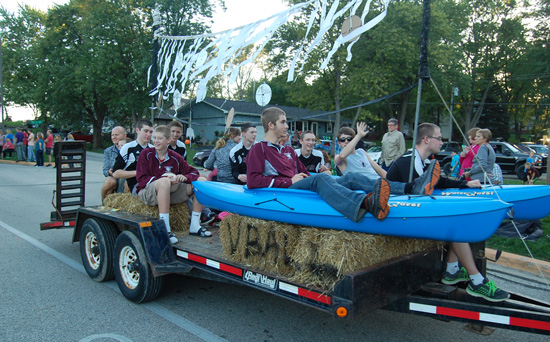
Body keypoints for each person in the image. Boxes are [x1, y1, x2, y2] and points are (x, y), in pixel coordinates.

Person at [246, 107, 440, 223]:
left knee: (350, 177)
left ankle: (411, 187)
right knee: (321, 179)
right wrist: (289, 181)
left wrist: (321, 172)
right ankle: (366, 204)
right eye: (283, 122)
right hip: (285, 191)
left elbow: (305, 172)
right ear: (271, 125)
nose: (287, 126)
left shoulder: (288, 150)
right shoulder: (259, 149)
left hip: (299, 184)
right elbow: (254, 180)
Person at [386, 123, 509, 302]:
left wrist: (465, 184)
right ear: (426, 139)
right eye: (439, 138)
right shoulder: (408, 161)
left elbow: (439, 182)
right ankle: (476, 281)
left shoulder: (424, 161)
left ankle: (452, 270)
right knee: (454, 224)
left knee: (457, 221)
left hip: (412, 213)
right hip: (399, 217)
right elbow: (414, 193)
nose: (442, 142)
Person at [136, 125, 212, 242]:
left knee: (201, 182)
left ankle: (195, 225)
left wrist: (183, 177)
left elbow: (194, 172)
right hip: (148, 193)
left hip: (170, 192)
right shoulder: (146, 154)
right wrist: (163, 178)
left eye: (160, 138)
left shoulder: (175, 157)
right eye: (154, 138)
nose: (156, 141)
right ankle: (165, 229)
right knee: (165, 181)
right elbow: (141, 179)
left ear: (168, 140)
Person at [112, 119, 154, 194]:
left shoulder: (153, 149)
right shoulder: (128, 148)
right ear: (137, 130)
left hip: (152, 182)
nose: (148, 134)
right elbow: (116, 173)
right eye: (146, 131)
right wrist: (138, 173)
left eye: (151, 132)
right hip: (137, 185)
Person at [101, 126, 127, 201]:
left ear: (124, 136)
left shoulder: (131, 148)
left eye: (117, 135)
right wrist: (109, 172)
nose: (114, 137)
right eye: (112, 135)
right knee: (109, 182)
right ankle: (104, 204)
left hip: (127, 177)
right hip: (114, 177)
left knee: (128, 183)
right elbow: (105, 170)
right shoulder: (108, 151)